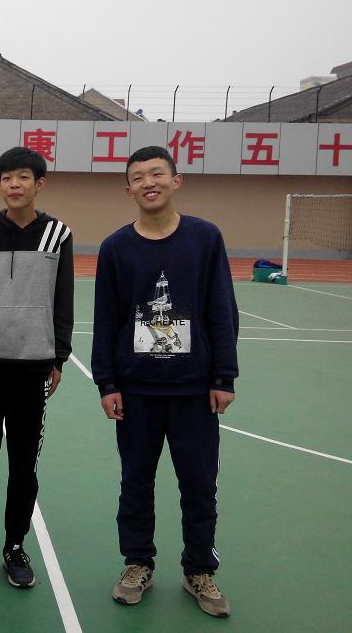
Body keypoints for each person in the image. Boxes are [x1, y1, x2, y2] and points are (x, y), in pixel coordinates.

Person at [92, 145, 238, 618]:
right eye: (138, 177)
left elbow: (221, 309)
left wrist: (224, 376)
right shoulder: (116, 248)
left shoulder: (205, 238)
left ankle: (200, 569)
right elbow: (106, 319)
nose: (148, 183)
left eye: (157, 173)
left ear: (176, 180)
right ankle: (137, 563)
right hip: (135, 391)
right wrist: (107, 383)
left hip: (194, 391)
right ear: (128, 189)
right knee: (135, 482)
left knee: (199, 485)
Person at [0, 147, 74, 589]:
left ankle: (15, 546)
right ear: (0, 184)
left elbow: (63, 298)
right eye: (7, 177)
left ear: (39, 183)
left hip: (33, 366)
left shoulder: (57, 234)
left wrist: (58, 356)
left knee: (24, 466)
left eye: (23, 177)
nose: (14, 185)